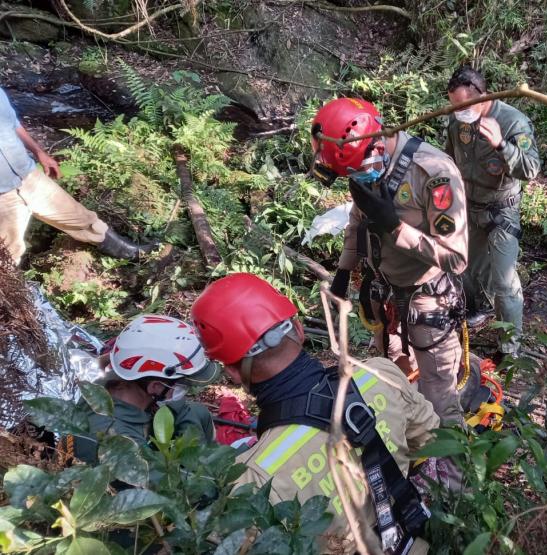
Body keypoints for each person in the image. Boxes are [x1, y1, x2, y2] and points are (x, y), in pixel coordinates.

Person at [191, 272, 440, 554]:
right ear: (298, 329)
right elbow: (432, 440)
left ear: (233, 371)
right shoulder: (381, 375)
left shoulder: (251, 479)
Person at [312, 97, 469, 426]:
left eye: (356, 171)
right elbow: (358, 220)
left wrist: (396, 229)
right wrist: (343, 271)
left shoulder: (432, 173)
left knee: (439, 393)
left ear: (374, 144)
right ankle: (412, 439)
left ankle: (452, 472)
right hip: (384, 292)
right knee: (395, 372)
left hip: (427, 297)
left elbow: (456, 258)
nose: (356, 178)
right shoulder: (365, 166)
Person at [444, 66, 541, 362]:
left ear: (481, 97)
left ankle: (509, 349)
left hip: (502, 211)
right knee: (463, 268)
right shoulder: (456, 121)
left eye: (463, 105)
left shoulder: (513, 122)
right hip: (468, 206)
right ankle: (475, 312)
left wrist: (501, 145)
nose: (458, 111)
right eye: (453, 105)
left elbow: (531, 169)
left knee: (505, 283)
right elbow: (448, 159)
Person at [0, 86, 154, 265]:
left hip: (29, 177)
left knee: (83, 219)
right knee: (8, 254)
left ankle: (132, 253)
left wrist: (39, 152)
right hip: (3, 198)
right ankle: (16, 290)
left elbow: (13, 123)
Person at [74, 314, 218, 464]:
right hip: (130, 479)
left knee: (197, 412)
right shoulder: (119, 441)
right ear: (155, 386)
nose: (186, 391)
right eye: (184, 385)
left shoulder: (113, 388)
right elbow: (170, 484)